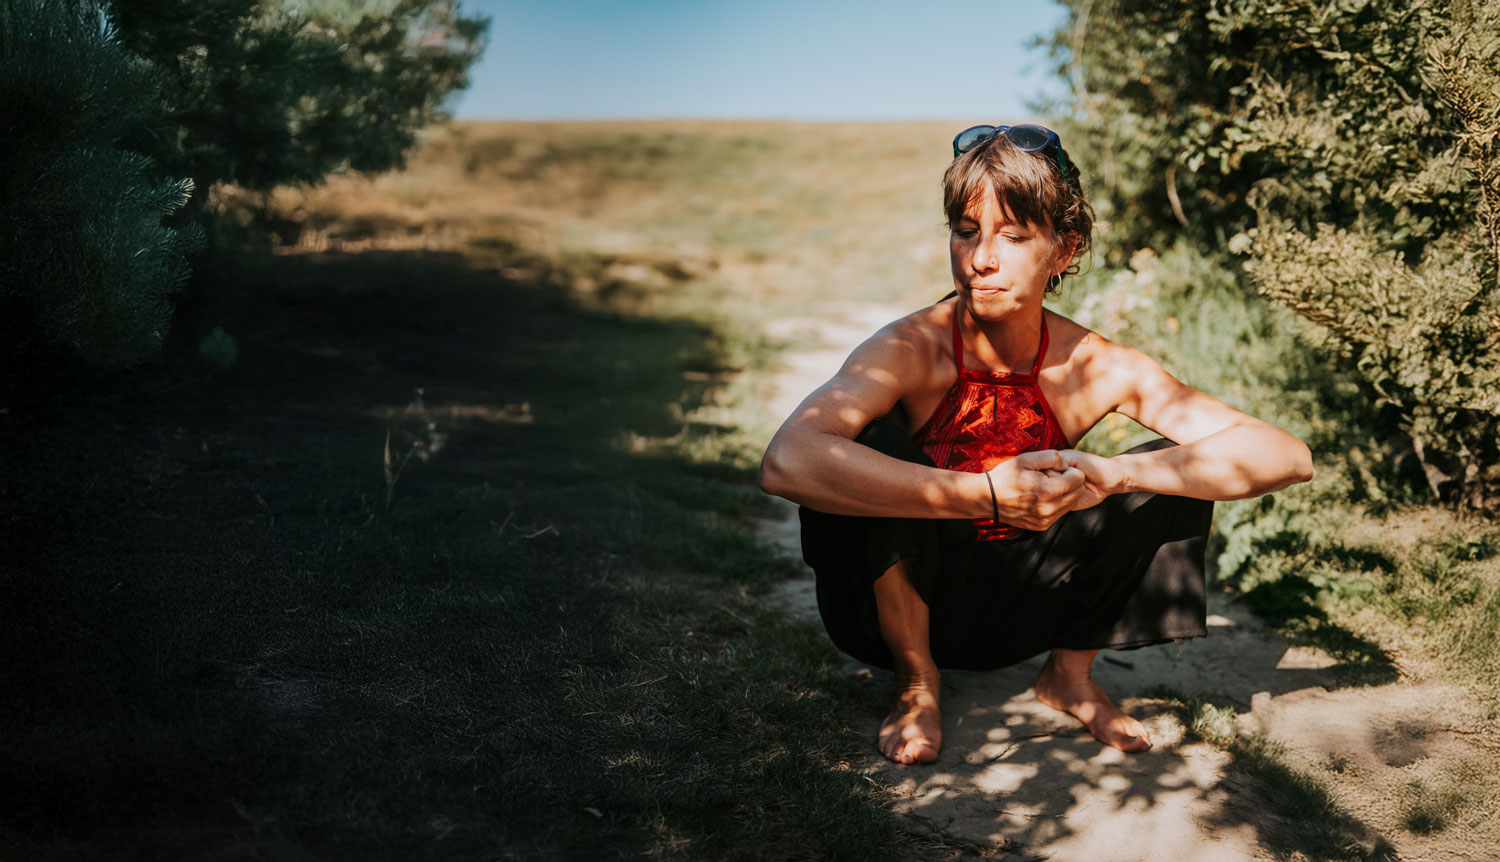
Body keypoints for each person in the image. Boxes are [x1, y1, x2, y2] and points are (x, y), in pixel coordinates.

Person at [758, 123, 1313, 765]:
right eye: (966, 232)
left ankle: (1068, 677)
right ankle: (917, 685)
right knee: (874, 448)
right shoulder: (910, 347)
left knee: (1162, 470)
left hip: (1022, 608)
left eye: (1014, 236)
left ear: (1063, 250)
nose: (980, 259)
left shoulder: (1097, 365)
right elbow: (786, 459)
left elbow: (1287, 456)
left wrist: (1118, 476)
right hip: (896, 611)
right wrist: (984, 495)